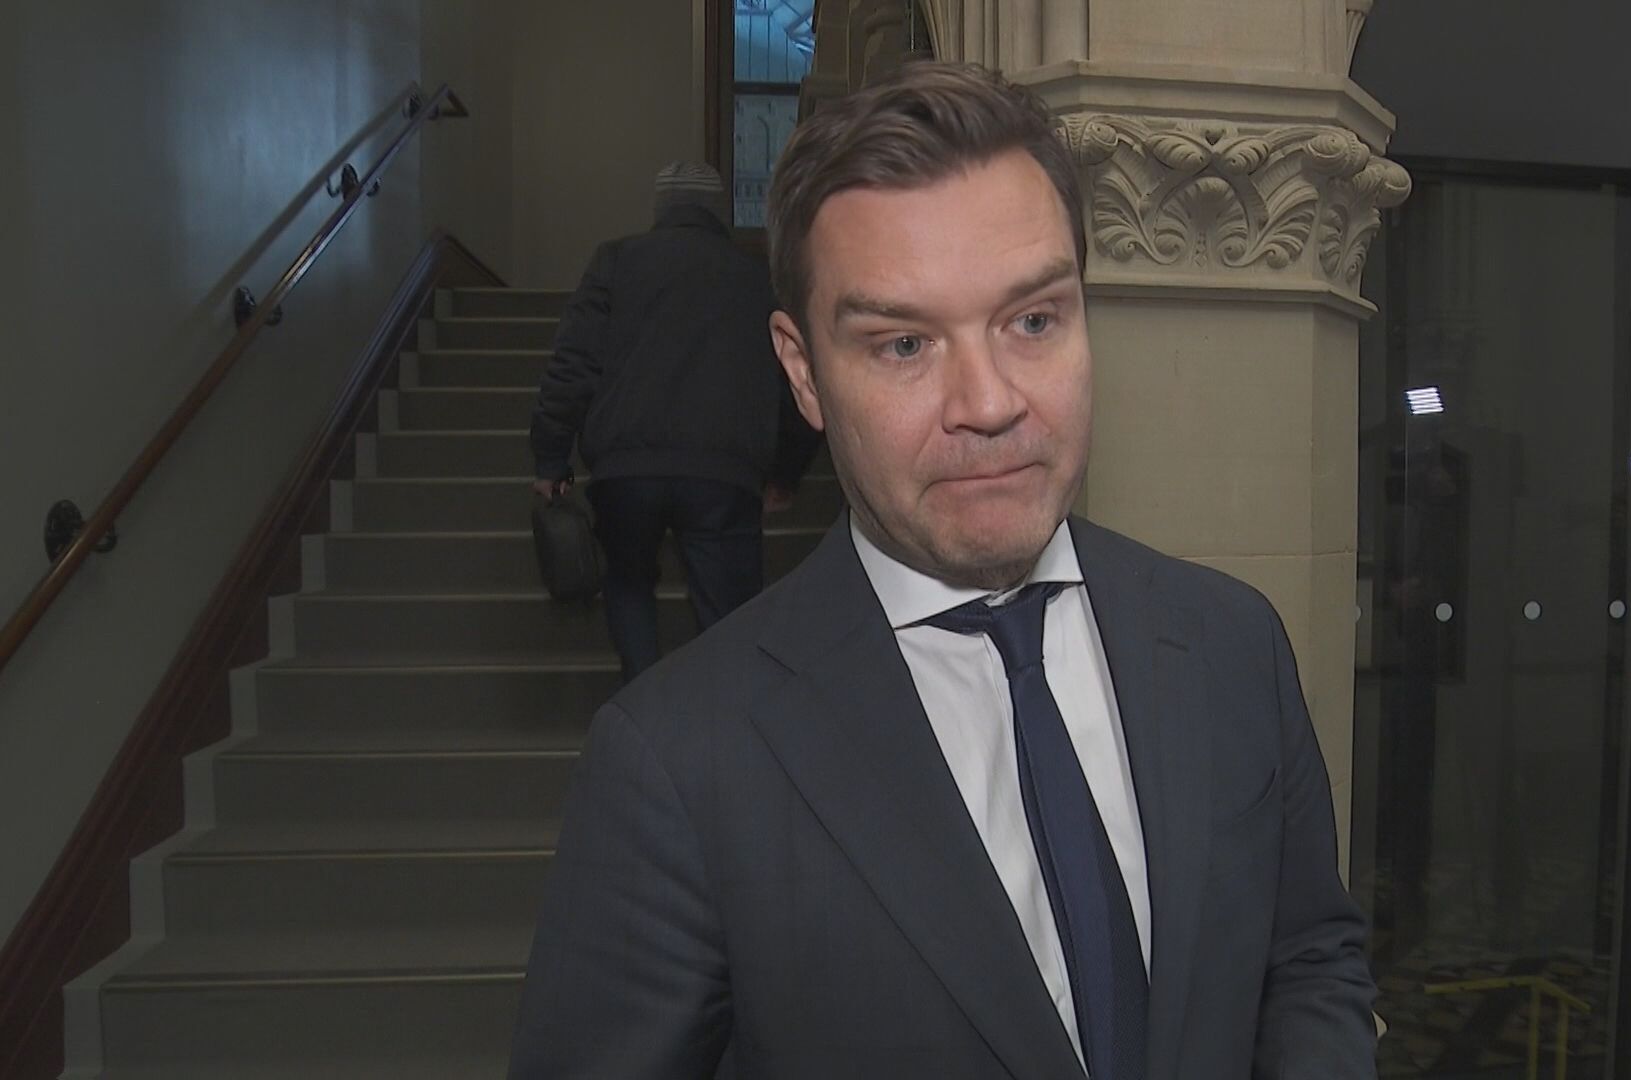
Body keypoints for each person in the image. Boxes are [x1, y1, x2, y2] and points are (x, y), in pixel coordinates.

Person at [512, 63, 1378, 1079]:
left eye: (1034, 321)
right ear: (803, 373)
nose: (989, 402)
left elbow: (1308, 959)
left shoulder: (1232, 643)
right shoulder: (677, 763)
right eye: (905, 345)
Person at [529, 161, 815, 681]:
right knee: (728, 617)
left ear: (661, 209)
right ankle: (724, 716)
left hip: (625, 468)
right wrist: (786, 471)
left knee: (628, 584)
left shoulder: (616, 261)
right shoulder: (756, 277)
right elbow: (794, 379)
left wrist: (551, 457)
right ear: (718, 213)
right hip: (724, 471)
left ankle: (642, 700)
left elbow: (573, 364)